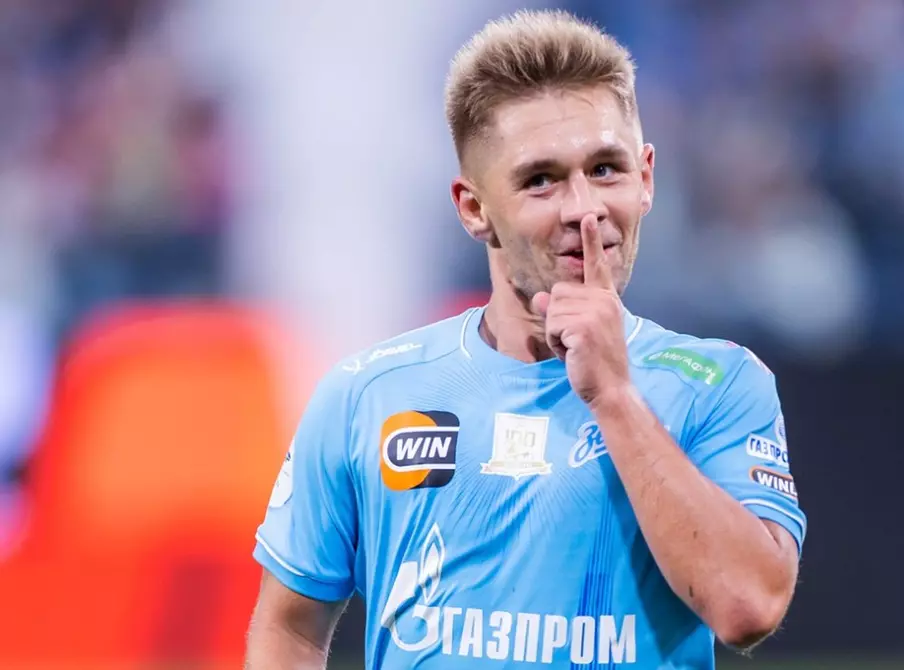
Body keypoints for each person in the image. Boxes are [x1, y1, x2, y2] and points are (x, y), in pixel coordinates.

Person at [245, 9, 805, 669]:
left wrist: (615, 396)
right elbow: (289, 628)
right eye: (541, 180)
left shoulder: (719, 385)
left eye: (606, 169)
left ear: (647, 178)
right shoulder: (366, 394)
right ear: (473, 208)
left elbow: (748, 607)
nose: (583, 209)